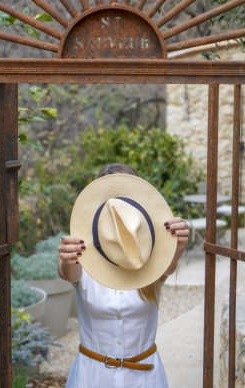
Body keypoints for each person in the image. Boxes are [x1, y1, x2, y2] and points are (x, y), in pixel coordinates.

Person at [58, 163, 190, 388]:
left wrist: (177, 245)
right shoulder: (80, 251)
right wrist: (65, 258)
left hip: (145, 378)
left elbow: (168, 268)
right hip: (92, 378)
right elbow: (68, 273)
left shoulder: (154, 257)